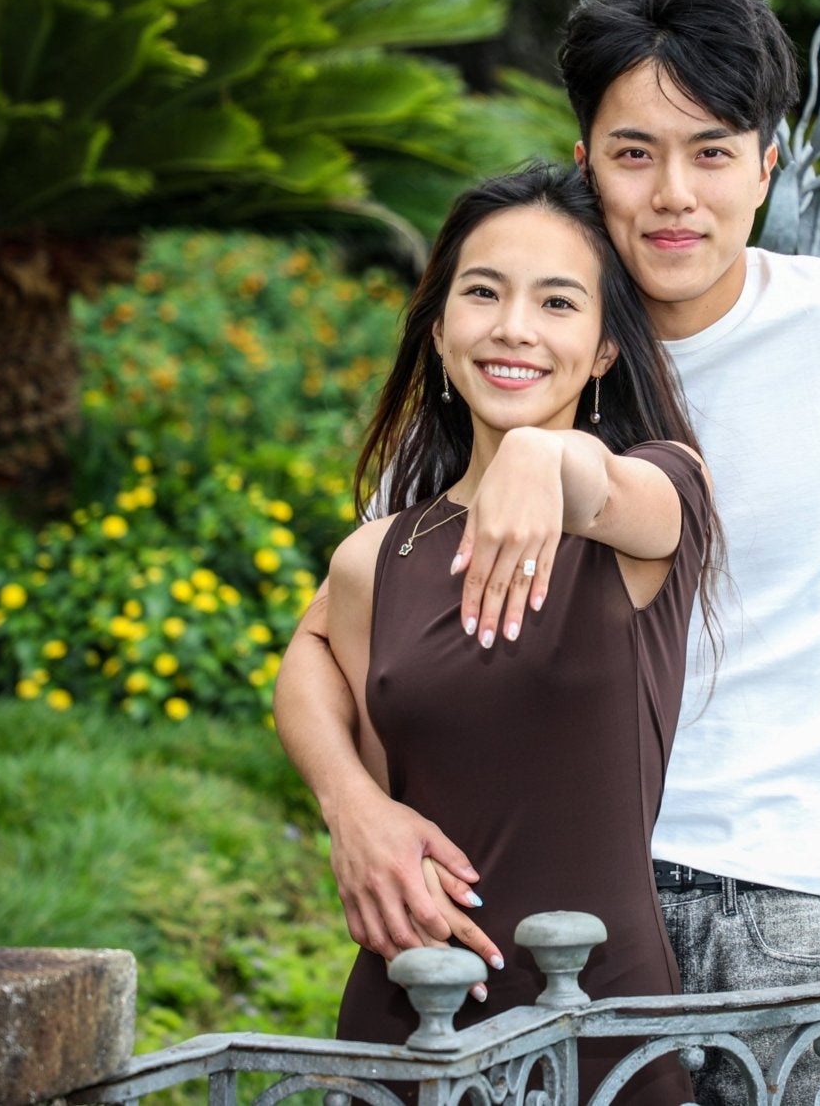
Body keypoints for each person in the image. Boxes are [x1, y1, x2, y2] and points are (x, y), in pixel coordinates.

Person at [279, 0, 820, 1106]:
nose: (673, 193)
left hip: (761, 916)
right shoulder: (529, 355)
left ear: (766, 164)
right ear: (585, 163)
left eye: (712, 151)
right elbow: (327, 639)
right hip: (527, 918)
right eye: (633, 153)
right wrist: (353, 811)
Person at [323, 164, 712, 1106]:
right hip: (410, 1016)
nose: (513, 328)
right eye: (483, 292)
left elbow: (610, 490)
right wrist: (353, 808)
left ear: (607, 348)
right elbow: (312, 669)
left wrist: (546, 454)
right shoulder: (379, 554)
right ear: (442, 328)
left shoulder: (655, 497)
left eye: (558, 302)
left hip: (600, 1028)